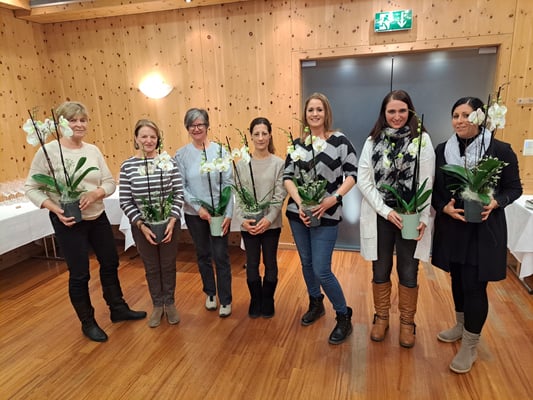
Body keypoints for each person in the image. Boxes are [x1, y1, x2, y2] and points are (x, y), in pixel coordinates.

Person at [24, 101, 146, 343]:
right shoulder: (48, 152)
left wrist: (96, 194)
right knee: (80, 274)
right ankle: (87, 322)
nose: (79, 125)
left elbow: (109, 182)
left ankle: (118, 308)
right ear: (60, 124)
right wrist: (56, 209)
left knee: (110, 263)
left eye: (83, 120)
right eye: (72, 120)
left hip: (97, 216)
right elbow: (31, 188)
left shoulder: (92, 151)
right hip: (68, 220)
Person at [432, 96, 522, 373]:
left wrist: (496, 202)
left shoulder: (499, 150)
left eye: (467, 115)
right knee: (457, 280)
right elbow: (435, 189)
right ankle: (460, 325)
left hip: (483, 230)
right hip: (453, 228)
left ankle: (470, 345)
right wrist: (444, 207)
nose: (460, 121)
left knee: (474, 285)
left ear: (480, 118)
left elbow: (514, 188)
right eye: (456, 115)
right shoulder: (443, 150)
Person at [358, 90, 435, 348]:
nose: (397, 116)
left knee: (408, 269)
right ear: (384, 113)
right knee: (380, 268)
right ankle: (381, 317)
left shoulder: (421, 140)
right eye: (391, 111)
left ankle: (407, 322)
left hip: (410, 216)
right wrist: (385, 211)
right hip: (381, 215)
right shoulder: (372, 141)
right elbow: (364, 180)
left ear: (410, 111)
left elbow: (427, 181)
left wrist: (423, 217)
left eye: (402, 110)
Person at [283, 92, 357, 344]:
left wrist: (333, 198)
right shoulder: (297, 145)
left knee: (321, 269)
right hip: (299, 215)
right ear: (305, 115)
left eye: (319, 109)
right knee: (306, 263)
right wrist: (301, 204)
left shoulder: (339, 141)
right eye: (310, 110)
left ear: (326, 113)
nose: (315, 114)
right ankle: (316, 302)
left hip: (328, 213)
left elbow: (352, 174)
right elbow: (287, 177)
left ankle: (343, 314)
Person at [119, 119, 184, 328]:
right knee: (151, 267)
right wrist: (140, 225)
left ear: (158, 139)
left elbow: (178, 193)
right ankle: (157, 304)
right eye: (144, 136)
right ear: (136, 139)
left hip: (169, 224)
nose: (148, 140)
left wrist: (172, 220)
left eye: (153, 137)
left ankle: (169, 303)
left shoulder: (168, 162)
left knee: (168, 265)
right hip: (143, 227)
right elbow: (125, 200)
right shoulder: (128, 166)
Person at [175, 108, 234, 318]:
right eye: (192, 125)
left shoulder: (220, 152)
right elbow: (181, 186)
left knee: (221, 255)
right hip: (195, 215)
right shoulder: (181, 155)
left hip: (219, 213)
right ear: (187, 128)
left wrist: (228, 214)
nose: (196, 128)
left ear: (207, 126)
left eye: (200, 124)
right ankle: (210, 293)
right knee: (203, 255)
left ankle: (226, 299)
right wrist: (198, 208)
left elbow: (228, 184)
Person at [234, 117, 286, 318]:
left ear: (270, 135)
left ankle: (268, 299)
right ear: (251, 136)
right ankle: (255, 299)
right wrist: (242, 220)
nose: (261, 137)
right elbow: (238, 195)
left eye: (264, 133)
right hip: (249, 224)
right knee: (252, 262)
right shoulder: (241, 165)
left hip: (271, 224)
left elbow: (279, 195)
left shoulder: (278, 164)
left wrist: (269, 219)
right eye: (256, 134)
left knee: (270, 262)